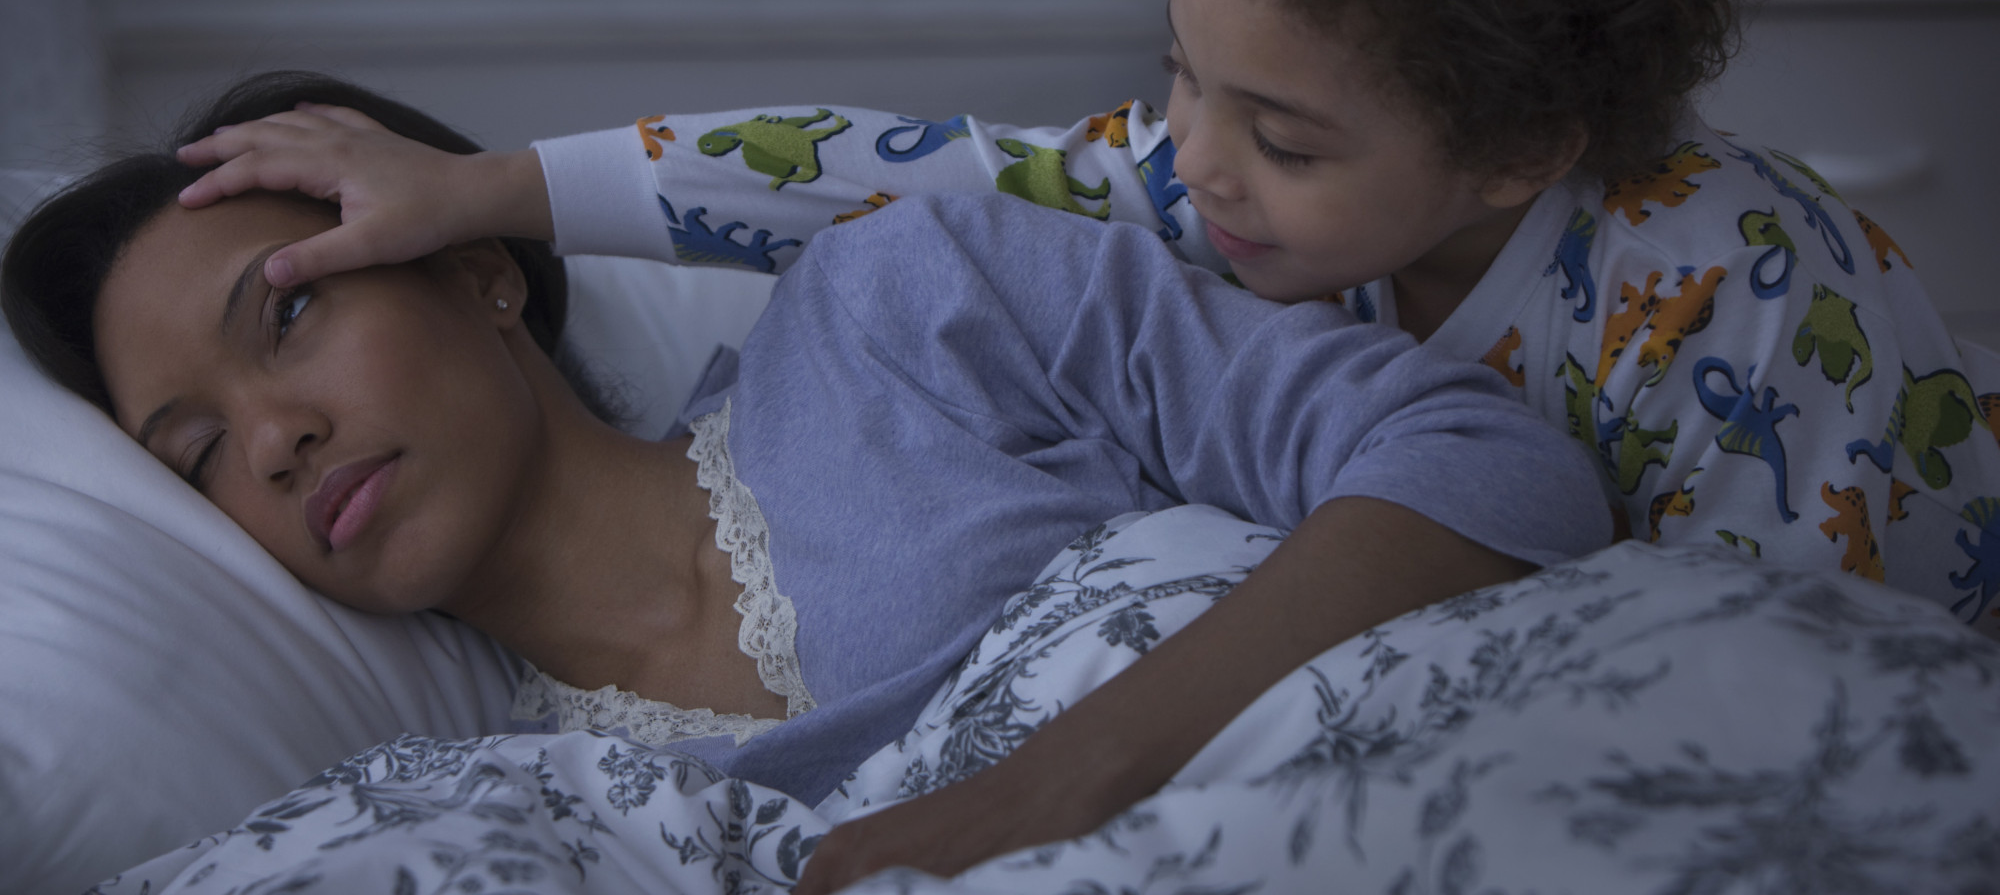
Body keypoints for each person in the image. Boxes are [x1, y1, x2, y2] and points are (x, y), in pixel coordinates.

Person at [178, 0, 2000, 652]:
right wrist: (484, 185)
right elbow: (879, 170)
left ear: (1520, 152)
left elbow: (1819, 655)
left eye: (1282, 139)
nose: (1190, 163)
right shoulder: (1206, 183)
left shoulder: (1748, 290)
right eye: (1179, 75)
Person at [2, 72, 1610, 892]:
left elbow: (1487, 463)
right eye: (198, 454)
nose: (270, 437)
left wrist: (1060, 782)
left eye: (287, 315)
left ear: (480, 270)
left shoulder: (905, 305)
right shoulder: (512, 810)